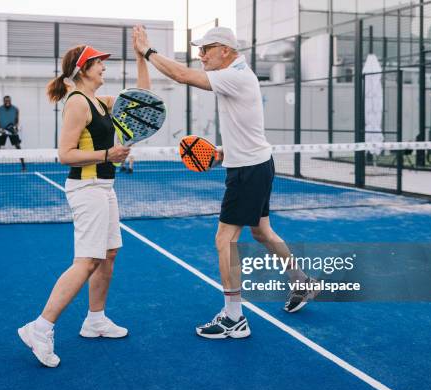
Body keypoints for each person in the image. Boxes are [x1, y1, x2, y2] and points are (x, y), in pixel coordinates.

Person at [132, 25, 320, 339]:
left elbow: (182, 76)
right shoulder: (237, 74)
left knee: (224, 240)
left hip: (248, 171)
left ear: (226, 51)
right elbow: (244, 125)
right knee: (261, 232)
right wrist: (224, 151)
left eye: (206, 49)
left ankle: (234, 317)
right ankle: (302, 281)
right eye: (199, 49)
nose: (201, 55)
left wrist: (148, 52)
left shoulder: (235, 74)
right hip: (255, 164)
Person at [17, 43, 150, 367]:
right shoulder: (77, 103)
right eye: (98, 62)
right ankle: (41, 327)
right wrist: (108, 154)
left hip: (104, 187)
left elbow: (144, 100)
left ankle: (95, 320)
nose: (104, 66)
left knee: (108, 255)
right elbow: (65, 154)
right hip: (87, 188)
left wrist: (140, 55)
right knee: (87, 260)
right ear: (83, 69)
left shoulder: (101, 102)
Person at [0, 95, 25, 173]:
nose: (7, 102)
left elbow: (17, 120)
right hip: (2, 131)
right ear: (4, 101)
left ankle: (23, 166)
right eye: (6, 100)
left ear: (10, 101)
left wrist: (15, 127)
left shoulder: (16, 109)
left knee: (18, 147)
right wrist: (0, 128)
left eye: (9, 100)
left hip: (12, 131)